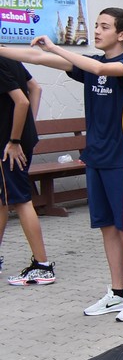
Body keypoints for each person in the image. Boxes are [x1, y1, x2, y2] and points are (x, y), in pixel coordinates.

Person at [0, 9, 123, 320]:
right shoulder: (90, 66)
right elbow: (38, 58)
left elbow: (98, 66)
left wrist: (55, 47)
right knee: (107, 227)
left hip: (122, 160)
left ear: (122, 34)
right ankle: (118, 292)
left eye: (104, 26)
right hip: (95, 158)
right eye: (95, 25)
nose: (97, 30)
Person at [0, 55, 54, 286]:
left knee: (21, 200)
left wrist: (15, 139)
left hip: (9, 146)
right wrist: (27, 128)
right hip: (18, 141)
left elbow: (21, 102)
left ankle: (42, 266)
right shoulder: (9, 56)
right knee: (3, 200)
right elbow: (36, 88)